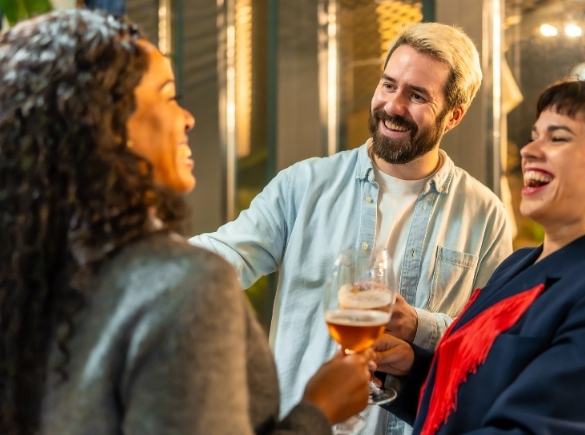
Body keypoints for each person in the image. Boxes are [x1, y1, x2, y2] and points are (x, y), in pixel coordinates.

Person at [0, 9, 371, 435]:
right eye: (169, 97)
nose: (187, 118)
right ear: (108, 126)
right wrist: (318, 410)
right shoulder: (186, 285)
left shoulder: (29, 267)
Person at [190, 22, 513, 435]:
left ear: (454, 116)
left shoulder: (486, 213)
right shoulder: (304, 184)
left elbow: (494, 339)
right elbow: (227, 255)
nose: (393, 106)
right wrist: (139, 261)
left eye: (416, 96)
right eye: (388, 85)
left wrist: (419, 326)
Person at [373, 68, 585, 435]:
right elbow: (483, 391)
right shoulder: (519, 263)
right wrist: (409, 370)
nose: (528, 151)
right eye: (534, 136)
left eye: (557, 138)